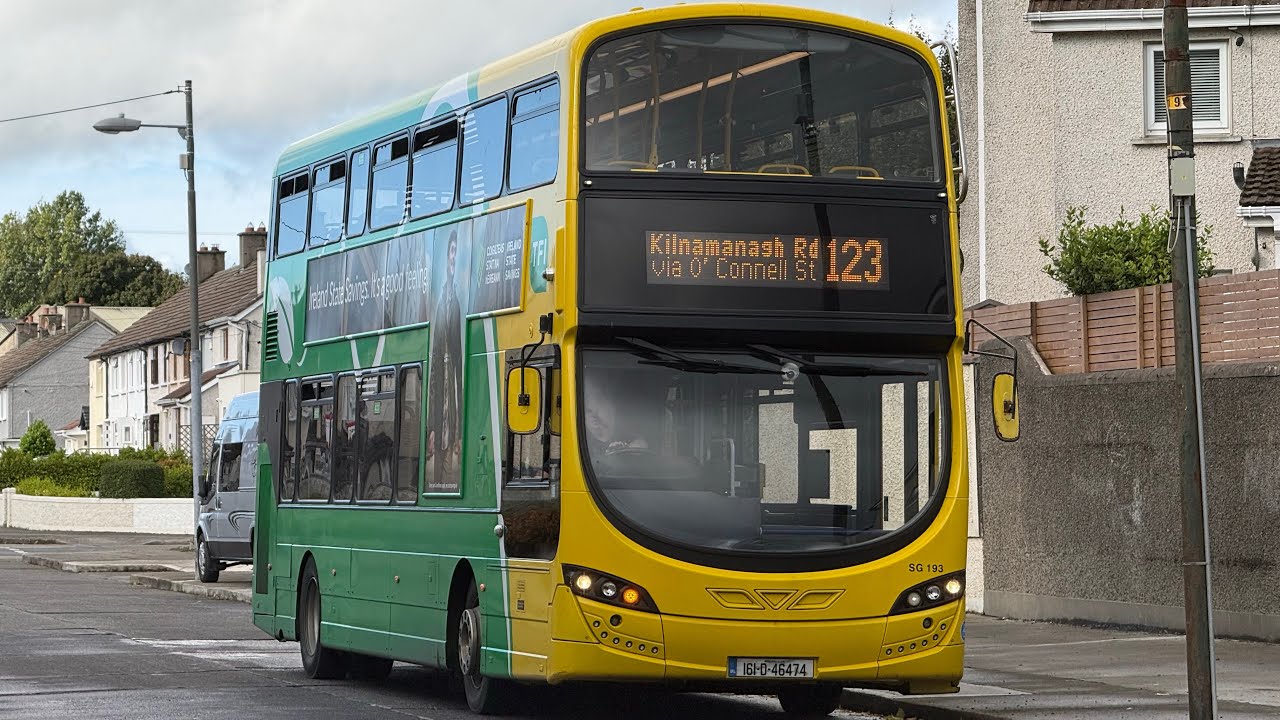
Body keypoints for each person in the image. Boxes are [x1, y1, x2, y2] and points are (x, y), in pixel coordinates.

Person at [428, 229, 464, 490]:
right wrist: (431, 425)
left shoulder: (457, 301)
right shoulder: (442, 301)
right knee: (439, 468)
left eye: (457, 252)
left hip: (453, 395)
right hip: (442, 395)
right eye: (451, 251)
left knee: (450, 471)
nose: (454, 256)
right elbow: (434, 364)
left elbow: (461, 362)